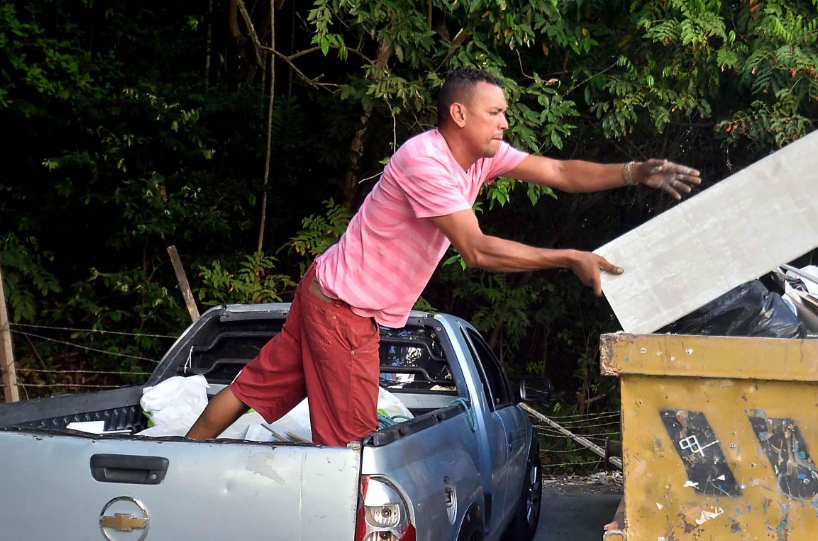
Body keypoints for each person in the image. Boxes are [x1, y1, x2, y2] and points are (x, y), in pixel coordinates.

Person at [185, 66, 701, 446]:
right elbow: (475, 250)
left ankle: (185, 455)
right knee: (352, 448)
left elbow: (562, 173)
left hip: (325, 290)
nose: (504, 124)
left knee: (253, 387)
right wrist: (568, 256)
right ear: (459, 113)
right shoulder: (425, 160)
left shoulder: (485, 157)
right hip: (343, 312)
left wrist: (633, 171)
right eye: (495, 113)